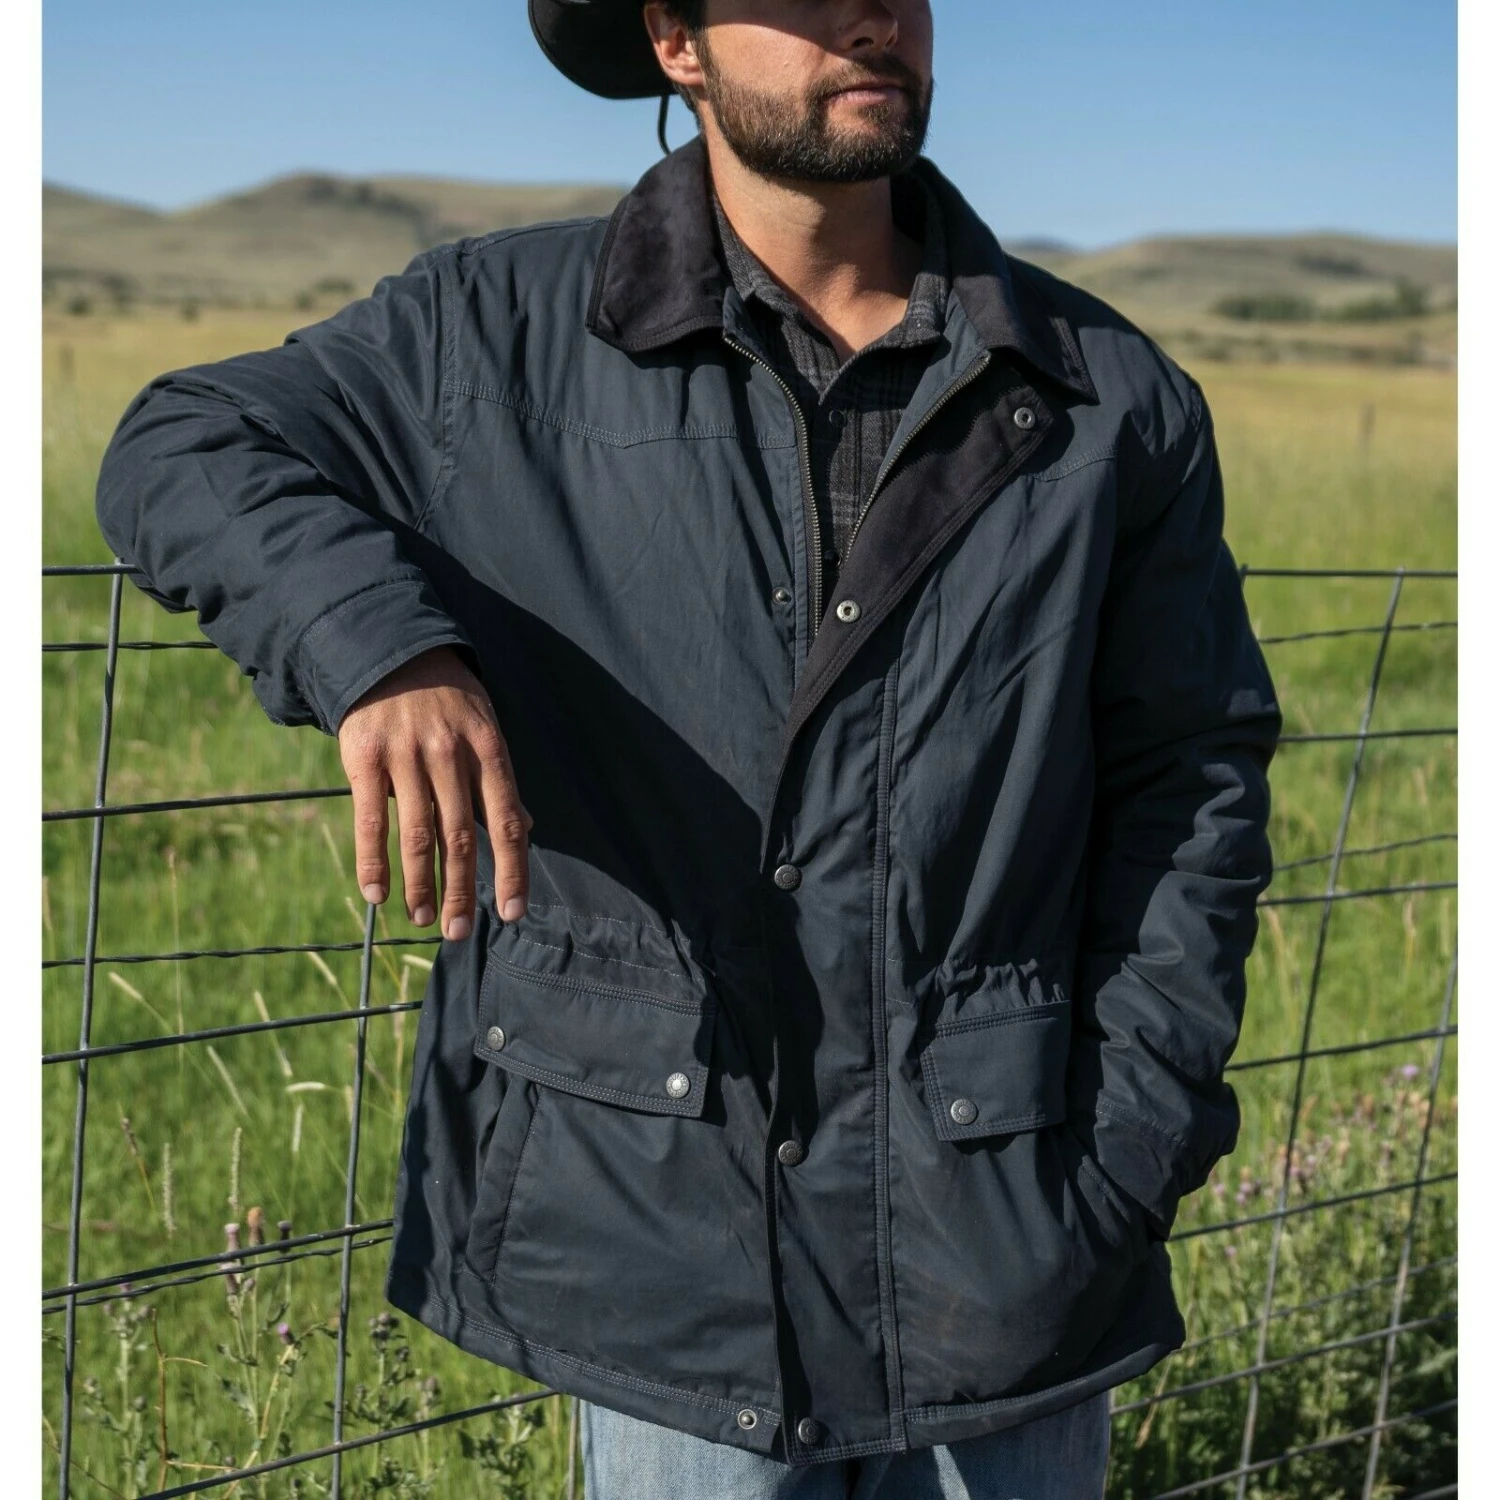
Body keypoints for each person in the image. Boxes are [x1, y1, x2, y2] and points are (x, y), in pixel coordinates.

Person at [95, 2, 1282, 1495]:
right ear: (674, 39)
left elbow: (1194, 784)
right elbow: (182, 443)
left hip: (1012, 1229)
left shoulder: (1109, 395)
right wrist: (378, 648)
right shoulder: (490, 333)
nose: (876, 18)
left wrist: (1132, 1149)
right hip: (665, 1246)